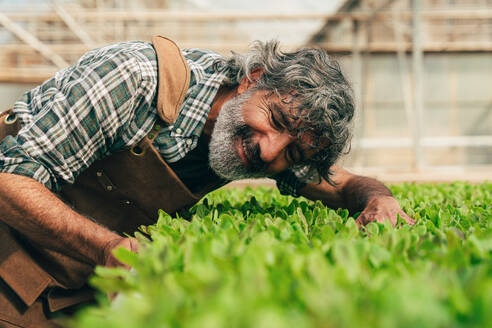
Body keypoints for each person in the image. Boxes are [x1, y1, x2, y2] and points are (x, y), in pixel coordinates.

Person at [0, 36, 414, 326]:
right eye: (276, 121)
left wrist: (379, 199)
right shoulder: (134, 80)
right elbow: (8, 179)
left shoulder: (264, 140)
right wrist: (108, 247)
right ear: (253, 78)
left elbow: (342, 185)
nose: (270, 152)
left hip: (76, 288)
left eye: (293, 153)